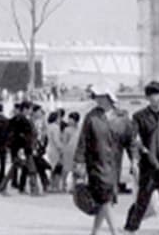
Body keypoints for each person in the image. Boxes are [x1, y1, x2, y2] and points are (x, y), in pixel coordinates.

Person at [123, 81, 159, 235]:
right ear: (148, 98)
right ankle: (132, 227)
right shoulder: (139, 116)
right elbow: (134, 141)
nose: (158, 99)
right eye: (154, 96)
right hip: (148, 164)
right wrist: (134, 160)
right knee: (143, 199)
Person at [74, 85, 121, 235]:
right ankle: (115, 232)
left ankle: (95, 232)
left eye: (101, 96)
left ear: (109, 98)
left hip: (114, 163)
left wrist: (134, 157)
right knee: (105, 198)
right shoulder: (91, 116)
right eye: (96, 96)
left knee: (104, 200)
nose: (97, 99)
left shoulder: (121, 116)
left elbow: (129, 138)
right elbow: (83, 140)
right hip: (96, 163)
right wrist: (79, 161)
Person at [0, 101, 39, 196]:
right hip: (23, 148)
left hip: (19, 148)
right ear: (25, 109)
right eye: (29, 109)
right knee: (31, 169)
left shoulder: (16, 119)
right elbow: (22, 135)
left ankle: (3, 187)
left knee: (14, 168)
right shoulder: (22, 120)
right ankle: (34, 190)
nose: (30, 111)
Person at [61, 111, 81, 192]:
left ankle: (74, 186)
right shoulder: (67, 130)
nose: (69, 121)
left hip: (77, 151)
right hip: (68, 152)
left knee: (75, 170)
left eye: (71, 119)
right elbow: (64, 141)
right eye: (69, 119)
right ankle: (63, 185)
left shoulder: (79, 129)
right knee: (66, 169)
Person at [46, 111, 64, 192]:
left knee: (53, 168)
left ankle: (51, 185)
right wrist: (61, 149)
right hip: (55, 150)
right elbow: (56, 140)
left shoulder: (49, 126)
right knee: (58, 168)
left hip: (50, 148)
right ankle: (55, 186)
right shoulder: (56, 127)